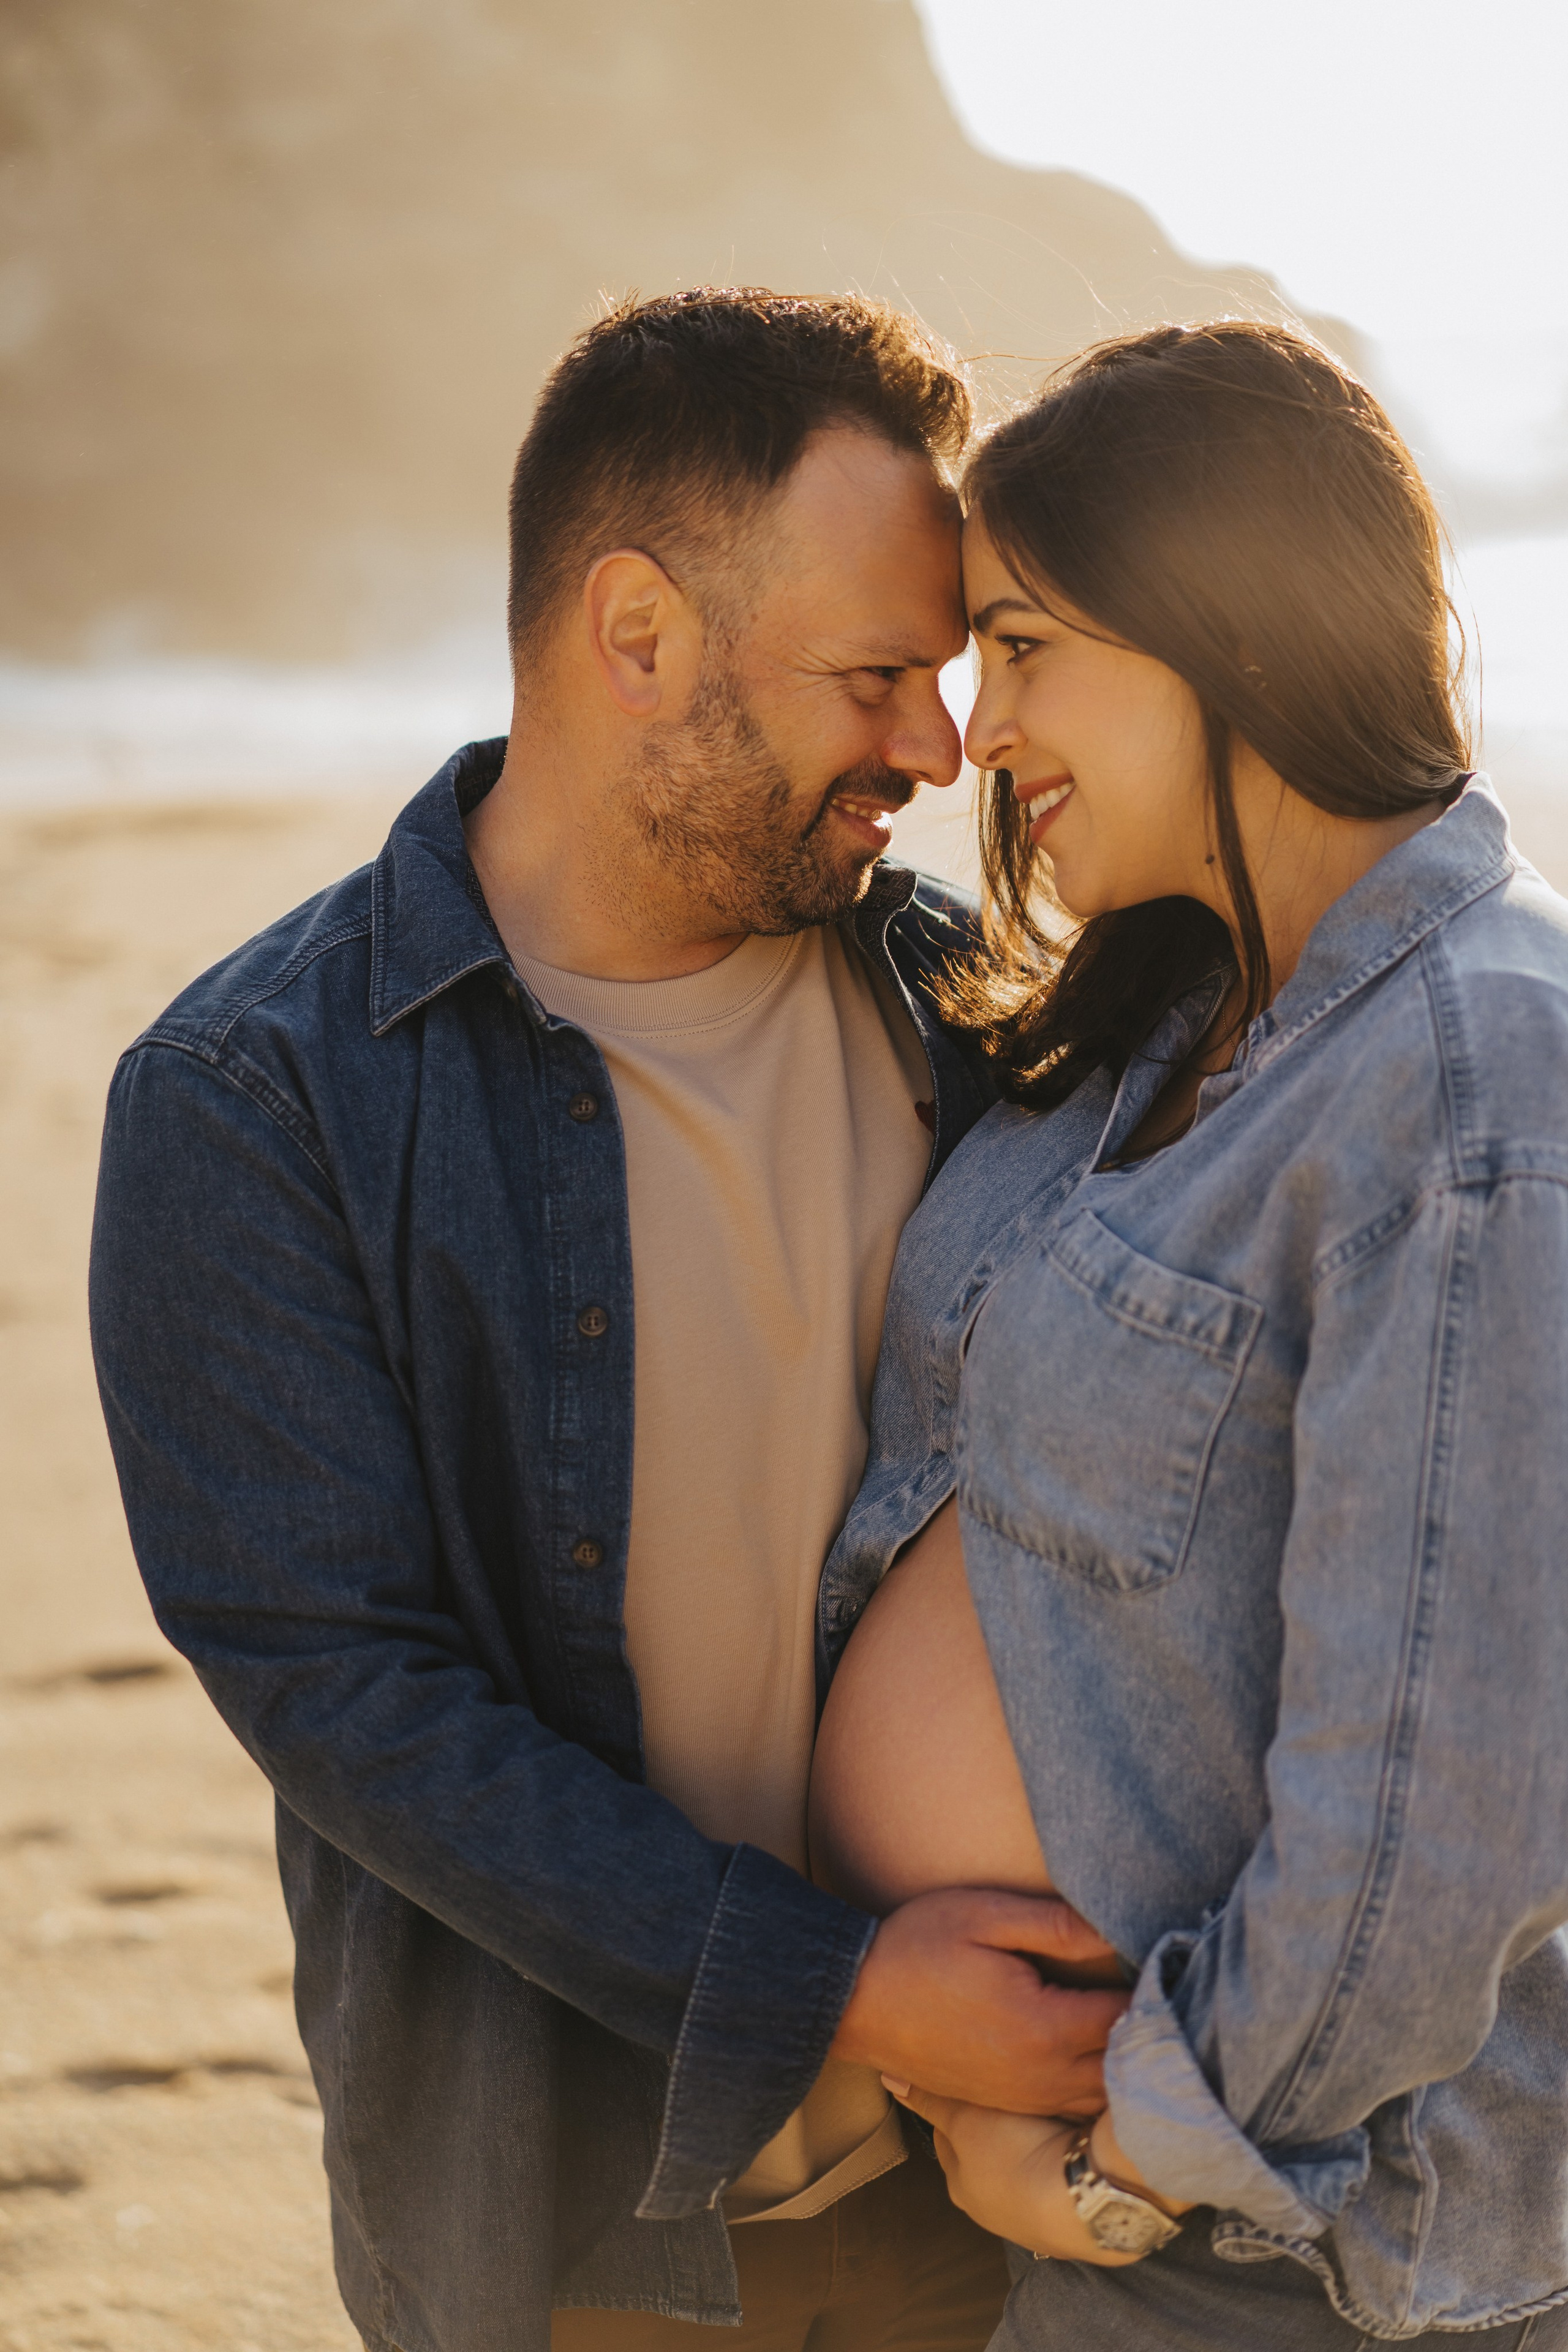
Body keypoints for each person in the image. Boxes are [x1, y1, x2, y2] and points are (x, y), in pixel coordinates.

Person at [88, 287, 1129, 2352]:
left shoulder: (986, 1020)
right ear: (638, 636)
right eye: (875, 677)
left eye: (950, 673)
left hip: (1017, 2199)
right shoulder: (258, 1099)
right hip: (574, 2244)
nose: (938, 749)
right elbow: (347, 1693)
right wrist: (826, 1989)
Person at [808, 322, 1568, 2347]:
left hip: (1282, 2258)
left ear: (1219, 626)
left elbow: (1440, 1809)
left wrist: (1117, 2157)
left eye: (1027, 646)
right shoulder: (1172, 1021)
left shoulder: (1476, 1071)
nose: (980, 735)